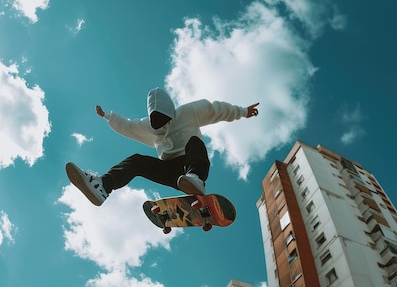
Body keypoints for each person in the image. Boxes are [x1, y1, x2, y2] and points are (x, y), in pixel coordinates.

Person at [66, 87, 259, 206]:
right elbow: (126, 126)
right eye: (156, 123)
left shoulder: (189, 112)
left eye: (165, 120)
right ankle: (103, 187)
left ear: (171, 113)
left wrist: (242, 111)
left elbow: (217, 110)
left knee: (194, 141)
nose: (161, 126)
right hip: (170, 173)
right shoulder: (146, 126)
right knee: (137, 160)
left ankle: (196, 179)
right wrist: (108, 116)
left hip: (191, 165)